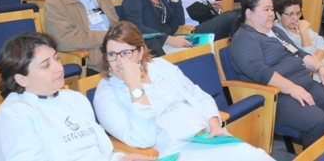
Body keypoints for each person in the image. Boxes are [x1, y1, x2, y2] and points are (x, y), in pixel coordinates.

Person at [93, 22, 273, 160]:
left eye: (125, 53)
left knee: (258, 156)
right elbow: (144, 140)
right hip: (175, 150)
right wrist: (135, 88)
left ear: (140, 52)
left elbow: (198, 94)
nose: (118, 62)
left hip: (206, 136)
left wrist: (214, 124)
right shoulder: (106, 94)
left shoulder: (159, 65)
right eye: (111, 54)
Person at [0, 31, 152, 161]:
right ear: (21, 79)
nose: (58, 68)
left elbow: (99, 152)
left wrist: (120, 158)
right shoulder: (13, 117)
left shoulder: (73, 98)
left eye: (57, 59)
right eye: (46, 65)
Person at [229, 0, 324, 149]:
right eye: (266, 10)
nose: (271, 14)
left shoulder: (275, 31)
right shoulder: (244, 38)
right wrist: (292, 88)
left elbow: (299, 53)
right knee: (317, 121)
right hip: (275, 94)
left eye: (272, 9)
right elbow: (261, 72)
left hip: (302, 82)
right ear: (249, 13)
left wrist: (320, 67)